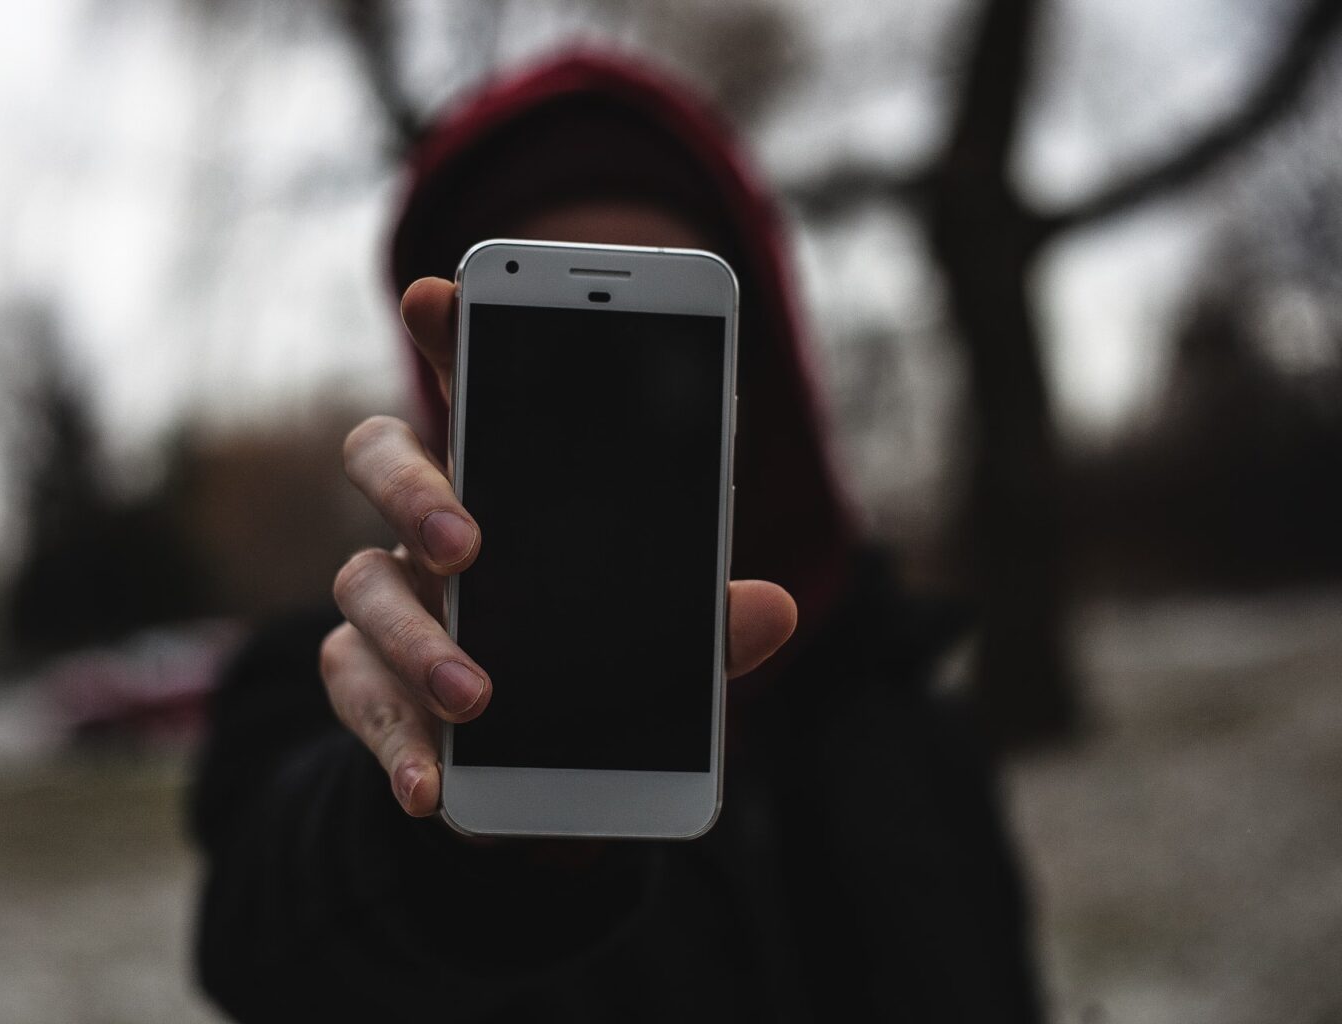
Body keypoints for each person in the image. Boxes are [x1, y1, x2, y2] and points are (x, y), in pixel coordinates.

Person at [191, 52, 1043, 1023]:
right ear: (454, 390)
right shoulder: (328, 682)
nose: (607, 416)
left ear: (752, 373)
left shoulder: (906, 713)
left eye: (650, 357)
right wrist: (418, 832)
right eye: (555, 364)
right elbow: (263, 941)